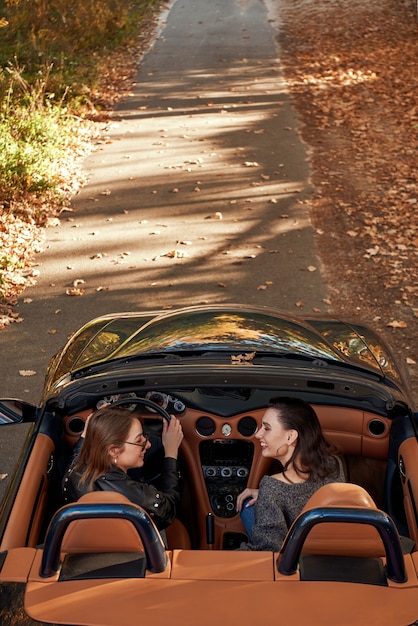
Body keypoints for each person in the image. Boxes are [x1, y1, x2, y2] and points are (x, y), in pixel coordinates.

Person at [236, 396, 345, 551]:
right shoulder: (334, 464)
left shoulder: (272, 486)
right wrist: (264, 495)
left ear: (290, 436)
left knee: (246, 505)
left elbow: (269, 549)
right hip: (334, 553)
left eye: (266, 428)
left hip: (295, 566)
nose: (258, 434)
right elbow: (309, 495)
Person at [62, 405, 183, 530]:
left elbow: (76, 459)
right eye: (138, 441)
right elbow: (168, 510)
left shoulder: (76, 472)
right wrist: (171, 453)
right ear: (113, 451)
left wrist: (90, 432)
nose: (148, 444)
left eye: (144, 436)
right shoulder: (132, 495)